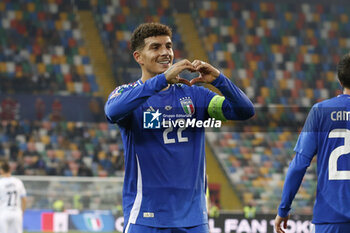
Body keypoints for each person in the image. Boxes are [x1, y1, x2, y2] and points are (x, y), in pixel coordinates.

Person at [105, 22, 254, 233]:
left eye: (168, 46)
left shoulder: (196, 95)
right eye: (155, 47)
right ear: (138, 57)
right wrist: (162, 79)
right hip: (146, 217)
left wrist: (220, 80)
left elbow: (244, 110)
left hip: (193, 219)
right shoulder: (127, 94)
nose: (165, 52)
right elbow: (112, 112)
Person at [275, 53, 350, 233]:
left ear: (340, 81)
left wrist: (284, 208)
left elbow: (299, 165)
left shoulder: (320, 111)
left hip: (329, 218)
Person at [0, 160, 27, 233]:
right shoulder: (18, 182)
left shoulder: (1, 183)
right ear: (10, 170)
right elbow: (24, 199)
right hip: (16, 213)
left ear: (1, 171)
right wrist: (22, 212)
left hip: (3, 212)